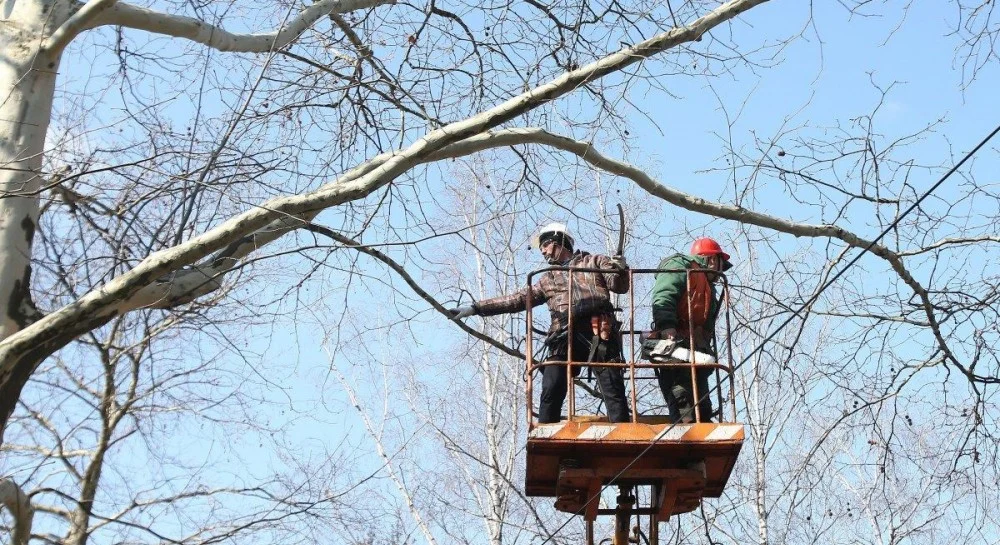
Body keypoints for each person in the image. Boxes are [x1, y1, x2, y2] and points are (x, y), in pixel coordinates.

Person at [449, 222, 631, 423]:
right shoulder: (548, 280)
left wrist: (621, 269)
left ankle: (625, 433)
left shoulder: (594, 262)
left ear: (560, 241)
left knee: (612, 386)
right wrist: (475, 308)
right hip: (564, 336)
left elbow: (618, 285)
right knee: (552, 385)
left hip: (598, 330)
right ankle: (546, 431)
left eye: (545, 245)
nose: (542, 251)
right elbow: (518, 299)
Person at [648, 237, 732, 423]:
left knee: (701, 405)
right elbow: (664, 295)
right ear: (711, 260)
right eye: (721, 264)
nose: (721, 272)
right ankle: (688, 434)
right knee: (681, 396)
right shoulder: (681, 266)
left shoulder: (707, 285)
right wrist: (667, 326)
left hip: (694, 349)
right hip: (675, 344)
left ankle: (700, 426)